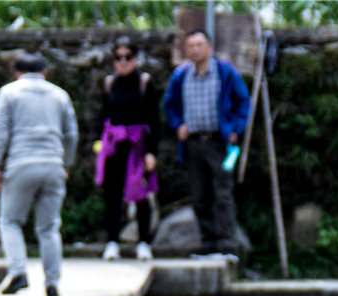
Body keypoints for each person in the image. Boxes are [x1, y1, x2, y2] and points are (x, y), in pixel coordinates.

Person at [0, 52, 77, 296]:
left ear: (16, 72)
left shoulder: (9, 92)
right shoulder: (60, 95)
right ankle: (52, 285)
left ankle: (17, 272)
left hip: (21, 164)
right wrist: (66, 163)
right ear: (44, 73)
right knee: (49, 228)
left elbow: (1, 131)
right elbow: (71, 134)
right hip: (52, 165)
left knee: (10, 221)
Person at [162, 29, 252, 260]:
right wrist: (177, 125)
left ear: (209, 47)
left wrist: (235, 129)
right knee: (200, 196)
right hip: (192, 145)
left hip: (220, 143)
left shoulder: (225, 72)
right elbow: (169, 105)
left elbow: (243, 102)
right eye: (190, 45)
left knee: (223, 194)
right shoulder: (180, 75)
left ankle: (229, 247)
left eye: (199, 45)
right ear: (185, 50)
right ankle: (209, 244)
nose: (195, 49)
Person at [96, 38, 164, 262]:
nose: (123, 62)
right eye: (118, 57)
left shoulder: (145, 83)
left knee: (140, 194)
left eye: (128, 57)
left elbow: (154, 120)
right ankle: (112, 242)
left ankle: (144, 242)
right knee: (112, 195)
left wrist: (151, 152)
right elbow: (103, 116)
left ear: (136, 59)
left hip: (138, 146)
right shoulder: (109, 84)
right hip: (114, 146)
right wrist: (100, 145)